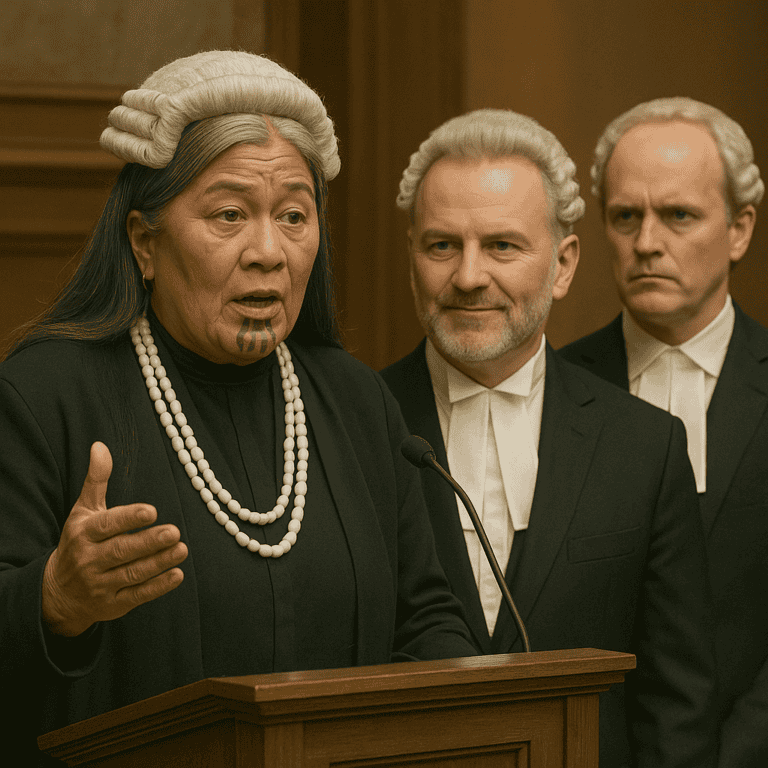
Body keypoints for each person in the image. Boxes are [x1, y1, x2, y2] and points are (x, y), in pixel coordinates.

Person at [0, 51, 477, 766]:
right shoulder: (44, 394)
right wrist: (55, 600)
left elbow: (426, 618)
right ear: (144, 242)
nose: (268, 251)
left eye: (294, 216)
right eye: (229, 214)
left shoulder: (354, 399)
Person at [381, 108, 719, 767]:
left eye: (502, 246)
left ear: (563, 265)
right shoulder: (353, 424)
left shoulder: (644, 446)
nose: (469, 276)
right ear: (412, 256)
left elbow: (677, 707)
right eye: (442, 246)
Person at [560, 97, 767, 768]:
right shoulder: (554, 388)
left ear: (739, 230)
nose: (646, 242)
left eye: (679, 215)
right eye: (626, 216)